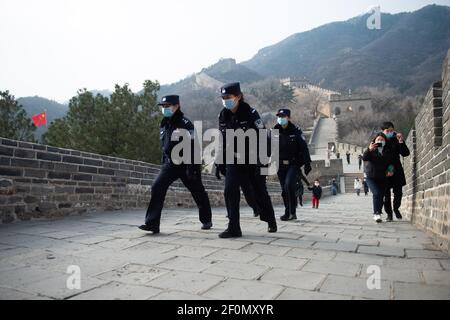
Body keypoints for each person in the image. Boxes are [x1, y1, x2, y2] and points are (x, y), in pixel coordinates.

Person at [139, 95, 212, 233]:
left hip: (187, 164)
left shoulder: (186, 124)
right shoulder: (164, 123)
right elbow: (164, 145)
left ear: (176, 106)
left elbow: (194, 146)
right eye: (163, 106)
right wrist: (163, 162)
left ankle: (206, 219)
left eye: (167, 106)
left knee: (198, 192)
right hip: (170, 165)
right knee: (157, 187)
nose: (165, 109)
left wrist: (193, 167)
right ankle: (152, 223)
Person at [216, 82, 277, 238]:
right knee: (230, 190)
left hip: (253, 159)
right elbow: (223, 140)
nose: (225, 100)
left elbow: (264, 137)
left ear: (238, 97)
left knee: (259, 192)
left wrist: (262, 161)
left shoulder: (251, 113)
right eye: (223, 97)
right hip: (234, 159)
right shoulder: (223, 116)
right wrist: (219, 161)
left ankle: (270, 220)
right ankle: (234, 227)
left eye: (228, 97)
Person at [273, 108, 312, 220]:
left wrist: (307, 163)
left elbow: (304, 147)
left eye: (283, 116)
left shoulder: (296, 131)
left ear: (288, 118)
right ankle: (287, 212)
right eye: (279, 116)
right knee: (284, 190)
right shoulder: (274, 130)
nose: (281, 118)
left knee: (289, 184)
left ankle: (292, 212)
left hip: (293, 164)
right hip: (280, 165)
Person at [381, 121, 410, 221]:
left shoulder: (397, 139)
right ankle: (389, 214)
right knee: (386, 194)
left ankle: (396, 208)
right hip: (384, 170)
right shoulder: (380, 140)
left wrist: (401, 141)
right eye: (387, 130)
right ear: (383, 131)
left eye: (391, 130)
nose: (390, 132)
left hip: (396, 169)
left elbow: (405, 153)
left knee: (398, 192)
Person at [363, 132, 394, 223]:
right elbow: (365, 158)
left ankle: (379, 212)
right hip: (371, 176)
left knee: (381, 195)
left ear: (385, 141)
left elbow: (391, 163)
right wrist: (369, 149)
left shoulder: (388, 151)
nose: (380, 141)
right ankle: (376, 213)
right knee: (376, 193)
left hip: (382, 177)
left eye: (382, 139)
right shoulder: (371, 149)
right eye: (378, 140)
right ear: (374, 141)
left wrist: (390, 169)